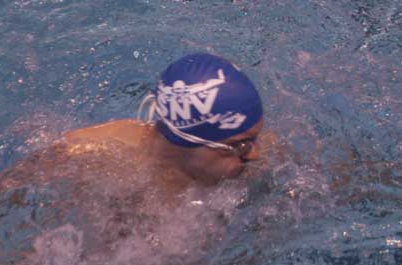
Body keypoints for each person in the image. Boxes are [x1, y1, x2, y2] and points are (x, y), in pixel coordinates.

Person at [62, 52, 264, 187]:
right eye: (242, 146)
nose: (256, 155)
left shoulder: (256, 164)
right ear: (188, 143)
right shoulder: (89, 157)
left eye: (255, 139)